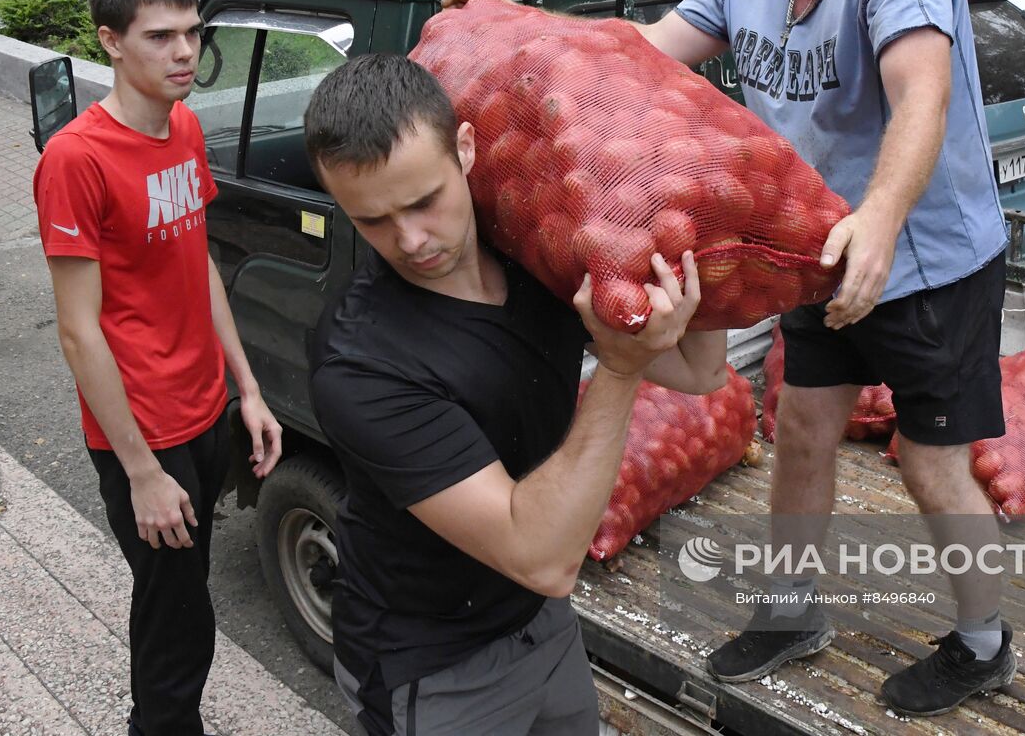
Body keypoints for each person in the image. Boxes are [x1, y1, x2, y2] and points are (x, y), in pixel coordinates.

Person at [446, 0, 1014, 717]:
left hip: (928, 264)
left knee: (929, 463)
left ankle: (985, 643)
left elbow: (924, 97)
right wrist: (516, 21)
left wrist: (877, 224)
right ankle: (792, 610)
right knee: (799, 427)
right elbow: (632, 52)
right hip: (823, 261)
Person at [303, 54, 727, 736]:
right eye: (373, 221)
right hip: (435, 667)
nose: (410, 240)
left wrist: (687, 246)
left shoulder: (533, 252)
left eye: (423, 202)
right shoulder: (362, 365)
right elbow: (543, 556)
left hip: (540, 622)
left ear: (465, 149)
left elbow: (699, 372)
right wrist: (618, 373)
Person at [33, 0, 283, 736]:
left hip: (208, 413)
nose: (185, 53)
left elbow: (196, 258)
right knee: (174, 628)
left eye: (192, 33)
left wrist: (247, 389)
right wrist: (140, 471)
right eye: (160, 37)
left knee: (186, 596)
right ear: (110, 40)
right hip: (144, 437)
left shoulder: (180, 126)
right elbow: (78, 331)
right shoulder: (76, 160)